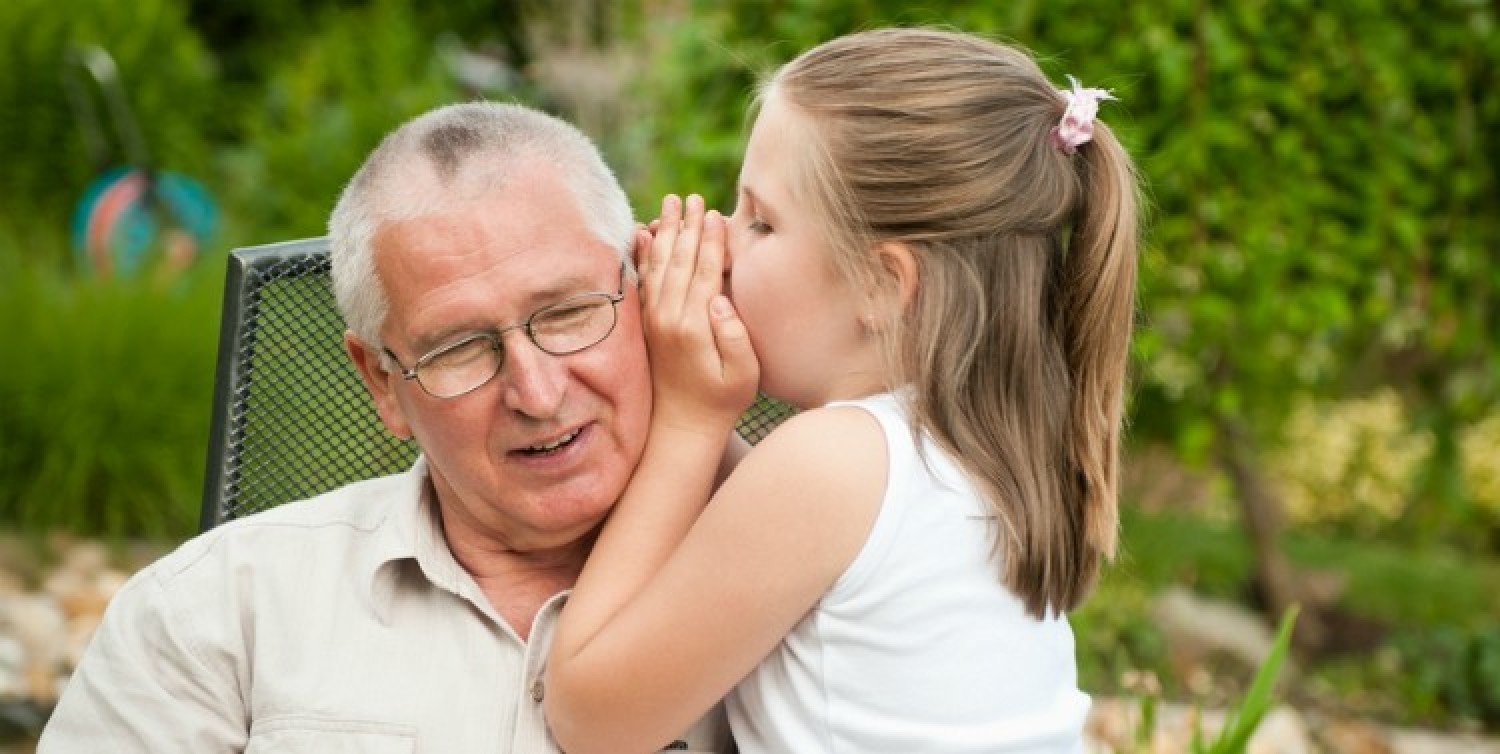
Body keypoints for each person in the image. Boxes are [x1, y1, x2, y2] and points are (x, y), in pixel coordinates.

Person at [38, 102, 733, 753]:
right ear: (381, 381)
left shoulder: (798, 587)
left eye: (568, 314)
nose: (538, 392)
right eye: (459, 348)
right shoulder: (210, 614)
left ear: (646, 290)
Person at [543, 27, 1140, 754]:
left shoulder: (833, 464)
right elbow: (746, 525)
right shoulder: (979, 452)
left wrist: (689, 421)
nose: (726, 240)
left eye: (761, 220)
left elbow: (593, 719)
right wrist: (694, 396)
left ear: (882, 287)